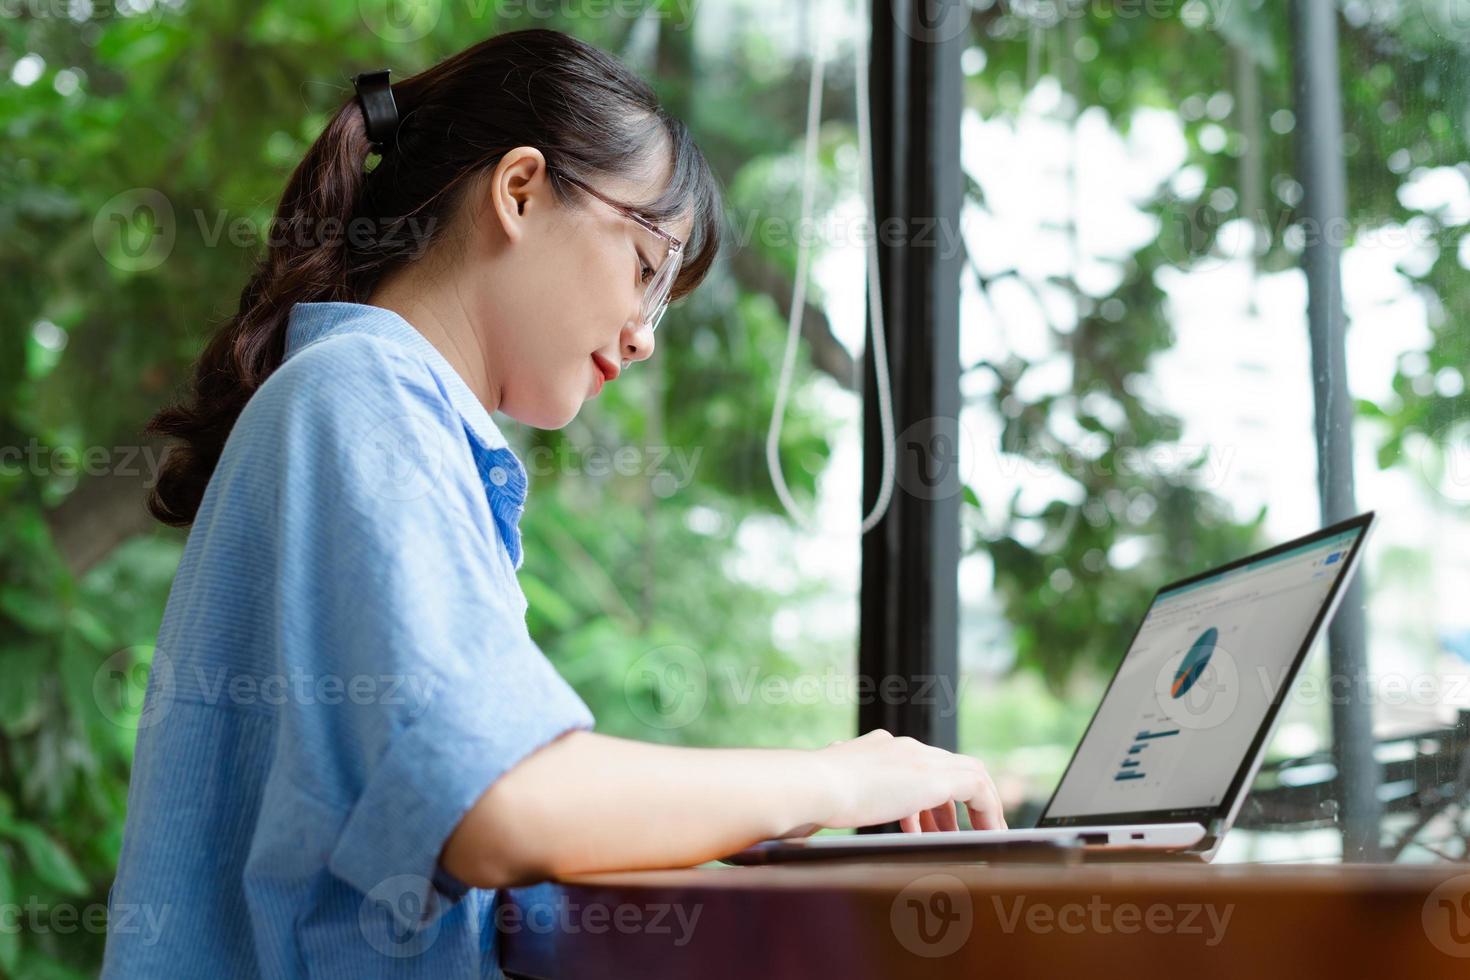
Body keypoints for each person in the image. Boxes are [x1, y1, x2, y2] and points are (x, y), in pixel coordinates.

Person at [101, 27, 1005, 978]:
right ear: (520, 189)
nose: (645, 336)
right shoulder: (362, 395)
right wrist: (838, 779)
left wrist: (741, 812)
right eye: (647, 270)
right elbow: (501, 806)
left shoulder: (359, 404)